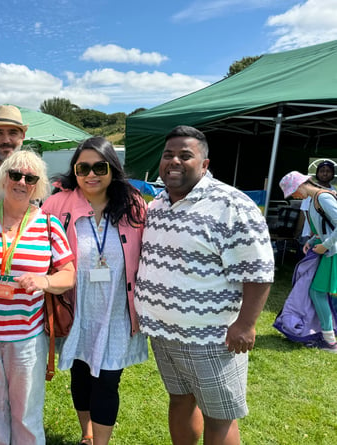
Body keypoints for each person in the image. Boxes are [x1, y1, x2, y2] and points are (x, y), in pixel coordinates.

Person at [134, 125, 275, 445]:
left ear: (205, 164)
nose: (174, 162)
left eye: (186, 156)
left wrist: (246, 324)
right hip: (163, 333)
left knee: (220, 415)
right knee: (180, 399)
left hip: (213, 335)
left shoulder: (231, 204)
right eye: (168, 155)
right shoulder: (157, 206)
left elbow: (259, 269)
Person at [42, 136, 148, 445]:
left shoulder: (133, 203)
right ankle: (87, 434)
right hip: (77, 309)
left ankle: (100, 442)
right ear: (74, 171)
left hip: (117, 311)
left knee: (107, 380)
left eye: (99, 167)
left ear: (113, 168)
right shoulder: (57, 203)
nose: (91, 174)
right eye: (83, 167)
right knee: (81, 374)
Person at [0, 149, 76, 445]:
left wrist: (45, 280)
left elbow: (69, 274)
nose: (22, 182)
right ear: (4, 178)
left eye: (30, 178)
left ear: (38, 185)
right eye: (15, 175)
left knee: (27, 412)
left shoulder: (48, 224)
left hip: (27, 336)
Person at [279, 170, 337, 352]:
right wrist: (313, 241)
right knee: (318, 293)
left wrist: (325, 245)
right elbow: (324, 227)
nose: (294, 196)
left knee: (318, 293)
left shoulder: (323, 198)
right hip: (328, 250)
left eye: (293, 192)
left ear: (300, 186)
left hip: (332, 252)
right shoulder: (314, 200)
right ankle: (328, 337)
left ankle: (330, 341)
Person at [299, 160, 336, 244]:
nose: (325, 174)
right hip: (310, 234)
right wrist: (313, 231)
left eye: (328, 171)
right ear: (317, 173)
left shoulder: (334, 191)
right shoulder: (311, 189)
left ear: (333, 174)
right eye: (322, 171)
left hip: (328, 234)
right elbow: (305, 212)